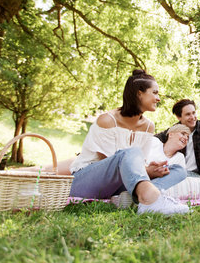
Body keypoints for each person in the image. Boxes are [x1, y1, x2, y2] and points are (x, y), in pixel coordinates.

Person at [69, 69, 190, 215]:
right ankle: (149, 198)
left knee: (178, 170)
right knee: (131, 152)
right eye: (155, 92)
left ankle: (130, 198)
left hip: (121, 185)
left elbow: (138, 164)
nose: (158, 98)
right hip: (86, 181)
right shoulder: (107, 120)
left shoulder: (148, 126)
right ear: (139, 93)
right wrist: (146, 171)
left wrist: (151, 169)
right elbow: (112, 165)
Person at [155, 99, 200, 178]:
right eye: (188, 114)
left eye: (194, 113)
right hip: (175, 173)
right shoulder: (175, 130)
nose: (192, 117)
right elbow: (154, 139)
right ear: (179, 117)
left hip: (195, 175)